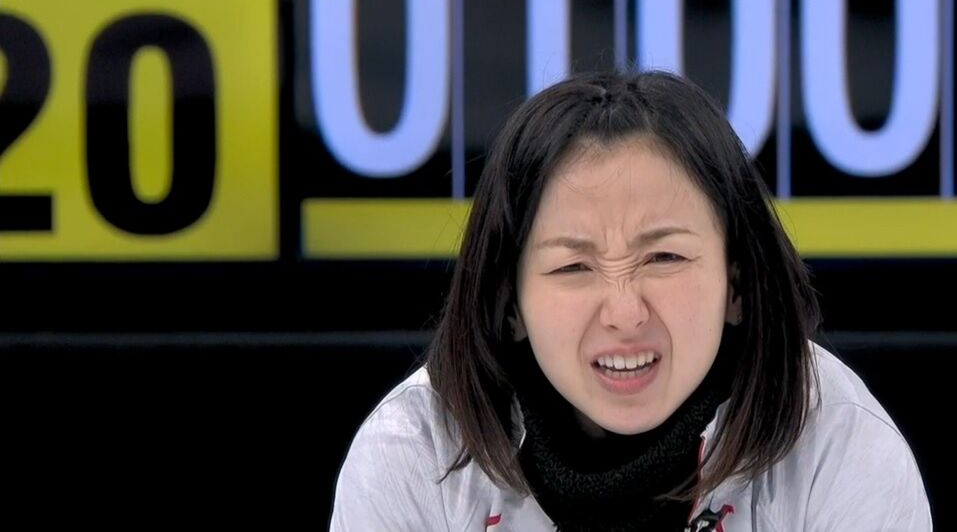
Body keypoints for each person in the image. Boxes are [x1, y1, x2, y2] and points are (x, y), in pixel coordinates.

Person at [329, 71, 932, 531]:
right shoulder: (413, 454)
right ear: (510, 304)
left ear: (738, 286)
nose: (624, 312)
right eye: (573, 266)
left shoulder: (837, 444)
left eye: (664, 257)